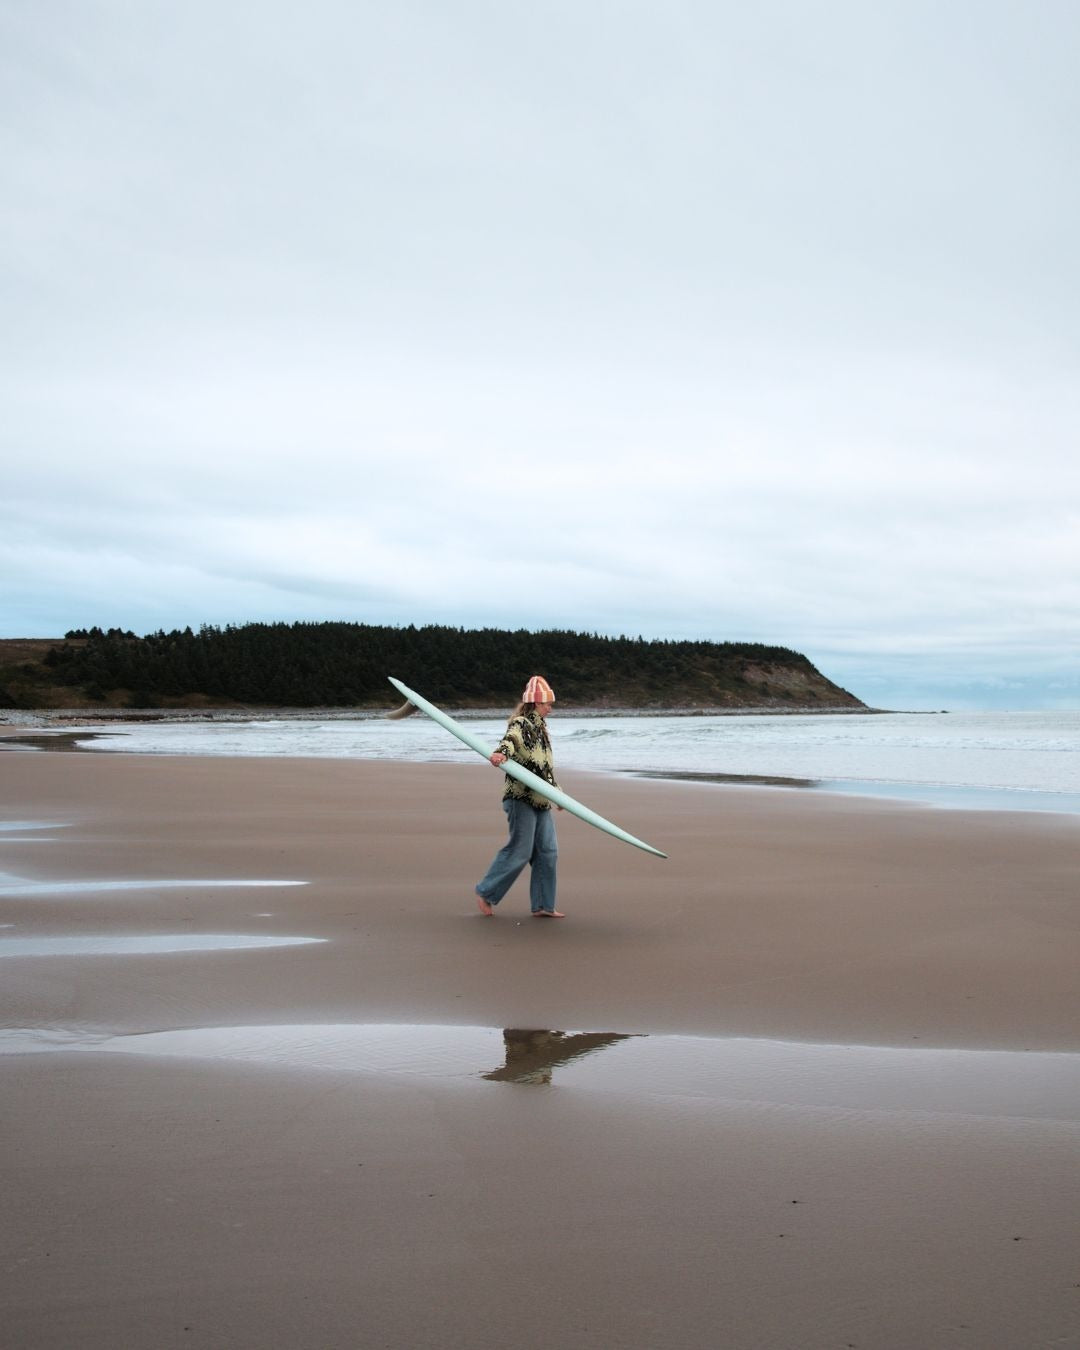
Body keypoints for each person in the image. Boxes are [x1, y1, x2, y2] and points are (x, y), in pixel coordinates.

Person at [474, 675, 565, 918]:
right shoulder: (521, 723)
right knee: (521, 850)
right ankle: (486, 892)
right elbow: (510, 740)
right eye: (547, 703)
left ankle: (543, 905)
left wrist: (558, 795)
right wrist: (501, 754)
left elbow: (544, 768)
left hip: (540, 800)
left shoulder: (543, 730)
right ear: (536, 702)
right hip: (520, 798)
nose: (550, 708)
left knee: (548, 851)